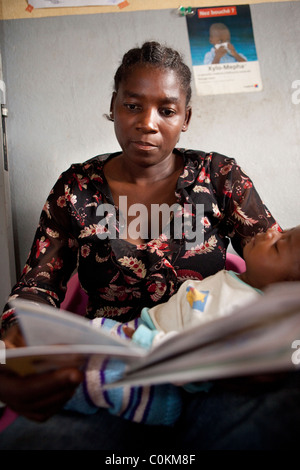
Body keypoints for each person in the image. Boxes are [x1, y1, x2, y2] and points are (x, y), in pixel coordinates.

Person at [0, 41, 298, 451]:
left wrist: (267, 350)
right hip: (108, 374)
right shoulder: (76, 188)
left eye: (167, 110)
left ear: (186, 117)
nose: (148, 123)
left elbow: (284, 265)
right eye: (133, 105)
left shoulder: (219, 176)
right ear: (114, 106)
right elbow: (37, 287)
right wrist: (14, 351)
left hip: (210, 374)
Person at [64, 225, 300, 418]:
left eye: (279, 245)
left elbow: (207, 359)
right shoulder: (240, 280)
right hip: (141, 339)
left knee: (79, 379)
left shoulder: (251, 313)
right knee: (75, 344)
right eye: (283, 231)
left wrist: (147, 342)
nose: (272, 232)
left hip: (156, 373)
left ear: (287, 288)